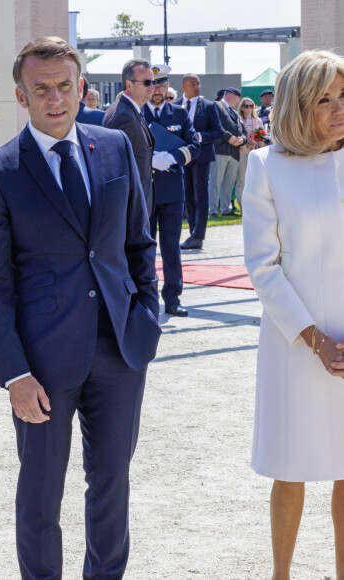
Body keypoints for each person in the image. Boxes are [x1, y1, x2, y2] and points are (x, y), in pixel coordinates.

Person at [0, 36, 162, 580]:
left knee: (111, 486)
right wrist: (13, 373)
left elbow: (137, 242)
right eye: (41, 89)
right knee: (40, 491)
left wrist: (146, 315)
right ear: (21, 95)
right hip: (43, 363)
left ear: (81, 87)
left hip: (121, 351)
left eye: (64, 86)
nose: (55, 99)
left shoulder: (115, 148)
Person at [243, 49, 344, 579]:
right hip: (295, 344)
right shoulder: (265, 166)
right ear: (296, 105)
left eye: (343, 96)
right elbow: (263, 266)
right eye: (324, 99)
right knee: (292, 469)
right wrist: (315, 339)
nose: (338, 109)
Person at [143, 64, 200, 317]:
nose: (157, 90)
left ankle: (173, 298)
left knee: (170, 246)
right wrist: (149, 159)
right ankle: (145, 297)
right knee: (143, 246)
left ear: (167, 86)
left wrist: (173, 157)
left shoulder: (179, 113)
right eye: (152, 84)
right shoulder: (136, 113)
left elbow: (194, 145)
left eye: (161, 84)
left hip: (171, 192)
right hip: (143, 191)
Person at [175, 73, 224, 250]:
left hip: (201, 157)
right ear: (183, 87)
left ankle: (198, 236)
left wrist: (200, 136)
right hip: (182, 156)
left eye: (198, 83)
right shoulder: (174, 106)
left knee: (200, 195)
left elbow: (218, 132)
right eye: (193, 84)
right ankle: (192, 234)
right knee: (187, 195)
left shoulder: (209, 106)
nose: (197, 86)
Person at [103, 58, 156, 217]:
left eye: (153, 82)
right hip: (130, 210)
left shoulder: (131, 111)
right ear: (129, 85)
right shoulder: (123, 116)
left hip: (137, 205)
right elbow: (117, 169)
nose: (152, 87)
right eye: (147, 82)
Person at [209, 87, 246, 216]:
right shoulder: (216, 106)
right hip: (220, 150)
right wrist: (228, 138)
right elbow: (215, 126)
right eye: (237, 98)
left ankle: (226, 209)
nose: (238, 102)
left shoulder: (235, 113)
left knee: (229, 184)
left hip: (234, 153)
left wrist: (242, 139)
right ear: (229, 95)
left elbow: (242, 131)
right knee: (215, 182)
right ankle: (213, 210)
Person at [235, 96, 263, 212]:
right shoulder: (238, 120)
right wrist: (245, 144)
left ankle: (254, 205)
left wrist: (255, 143)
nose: (248, 108)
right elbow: (237, 135)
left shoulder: (258, 121)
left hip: (255, 152)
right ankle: (242, 206)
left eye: (251, 105)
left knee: (255, 179)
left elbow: (261, 136)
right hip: (242, 152)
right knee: (242, 179)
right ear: (241, 108)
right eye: (246, 106)